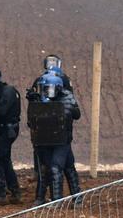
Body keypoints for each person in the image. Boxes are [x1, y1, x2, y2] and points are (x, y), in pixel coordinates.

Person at [26, 74, 81, 203]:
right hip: (45, 139)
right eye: (45, 88)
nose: (47, 91)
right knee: (47, 168)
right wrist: (34, 104)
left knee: (57, 168)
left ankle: (57, 201)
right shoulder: (39, 99)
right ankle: (41, 198)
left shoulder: (67, 97)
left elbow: (75, 114)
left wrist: (55, 107)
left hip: (62, 139)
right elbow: (31, 122)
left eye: (49, 88)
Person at [0, 68, 22, 204]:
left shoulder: (8, 91)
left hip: (8, 130)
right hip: (4, 130)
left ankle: (1, 194)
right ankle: (15, 191)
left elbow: (1, 111)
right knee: (5, 160)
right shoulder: (2, 90)